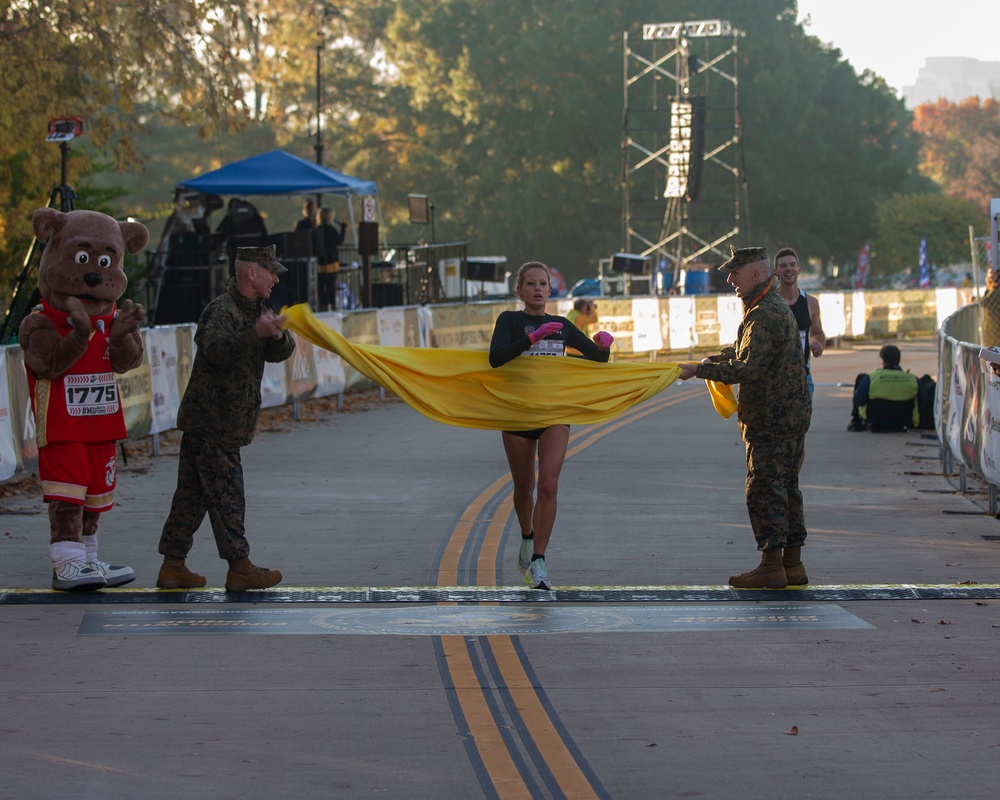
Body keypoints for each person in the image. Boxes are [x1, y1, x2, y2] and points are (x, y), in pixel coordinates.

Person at [156, 245, 296, 592]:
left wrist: (277, 335)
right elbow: (215, 350)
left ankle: (173, 565)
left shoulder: (254, 310)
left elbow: (280, 351)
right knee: (228, 494)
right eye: (270, 272)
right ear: (251, 273)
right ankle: (239, 566)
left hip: (222, 422)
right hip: (213, 422)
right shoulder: (221, 310)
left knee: (192, 496)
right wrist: (257, 334)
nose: (275, 278)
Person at [678, 246, 811, 589]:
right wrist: (710, 361)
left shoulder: (763, 312)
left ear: (755, 274)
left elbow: (748, 367)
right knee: (787, 487)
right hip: (789, 415)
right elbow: (745, 352)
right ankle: (792, 563)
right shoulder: (767, 307)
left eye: (735, 273)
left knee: (765, 489)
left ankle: (771, 564)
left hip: (771, 418)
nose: (729, 279)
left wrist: (700, 370)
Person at [489, 261, 614, 590]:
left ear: (550, 288)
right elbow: (495, 357)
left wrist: (603, 343)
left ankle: (540, 562)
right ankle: (526, 537)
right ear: (520, 291)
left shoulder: (561, 324)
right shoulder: (510, 320)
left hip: (555, 413)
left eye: (543, 283)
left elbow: (597, 358)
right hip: (517, 412)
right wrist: (531, 339)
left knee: (548, 485)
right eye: (530, 284)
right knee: (523, 488)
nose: (537, 289)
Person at [773, 247, 826, 401]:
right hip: (775, 380)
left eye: (792, 264)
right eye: (783, 266)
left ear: (799, 269)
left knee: (801, 425)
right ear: (776, 271)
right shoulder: (769, 303)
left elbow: (817, 333)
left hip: (803, 377)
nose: (788, 269)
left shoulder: (810, 302)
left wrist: (818, 345)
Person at [847, 345, 919, 432]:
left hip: (876, 421)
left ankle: (856, 423)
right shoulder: (913, 379)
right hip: (903, 422)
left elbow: (859, 401)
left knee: (861, 378)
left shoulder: (872, 378)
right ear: (899, 359)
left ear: (883, 360)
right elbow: (921, 403)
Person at [315, 206, 348, 310]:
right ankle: (332, 304)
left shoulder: (317, 230)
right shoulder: (331, 230)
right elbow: (339, 241)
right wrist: (343, 230)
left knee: (321, 284)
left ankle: (322, 304)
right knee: (331, 284)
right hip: (332, 260)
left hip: (321, 262)